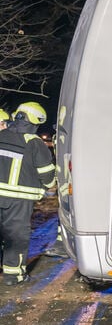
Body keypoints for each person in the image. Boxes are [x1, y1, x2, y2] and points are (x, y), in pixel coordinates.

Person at [0, 102, 57, 285]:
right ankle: (13, 276)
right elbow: (47, 174)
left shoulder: (1, 135)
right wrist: (50, 184)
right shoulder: (34, 143)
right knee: (16, 237)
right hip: (19, 200)